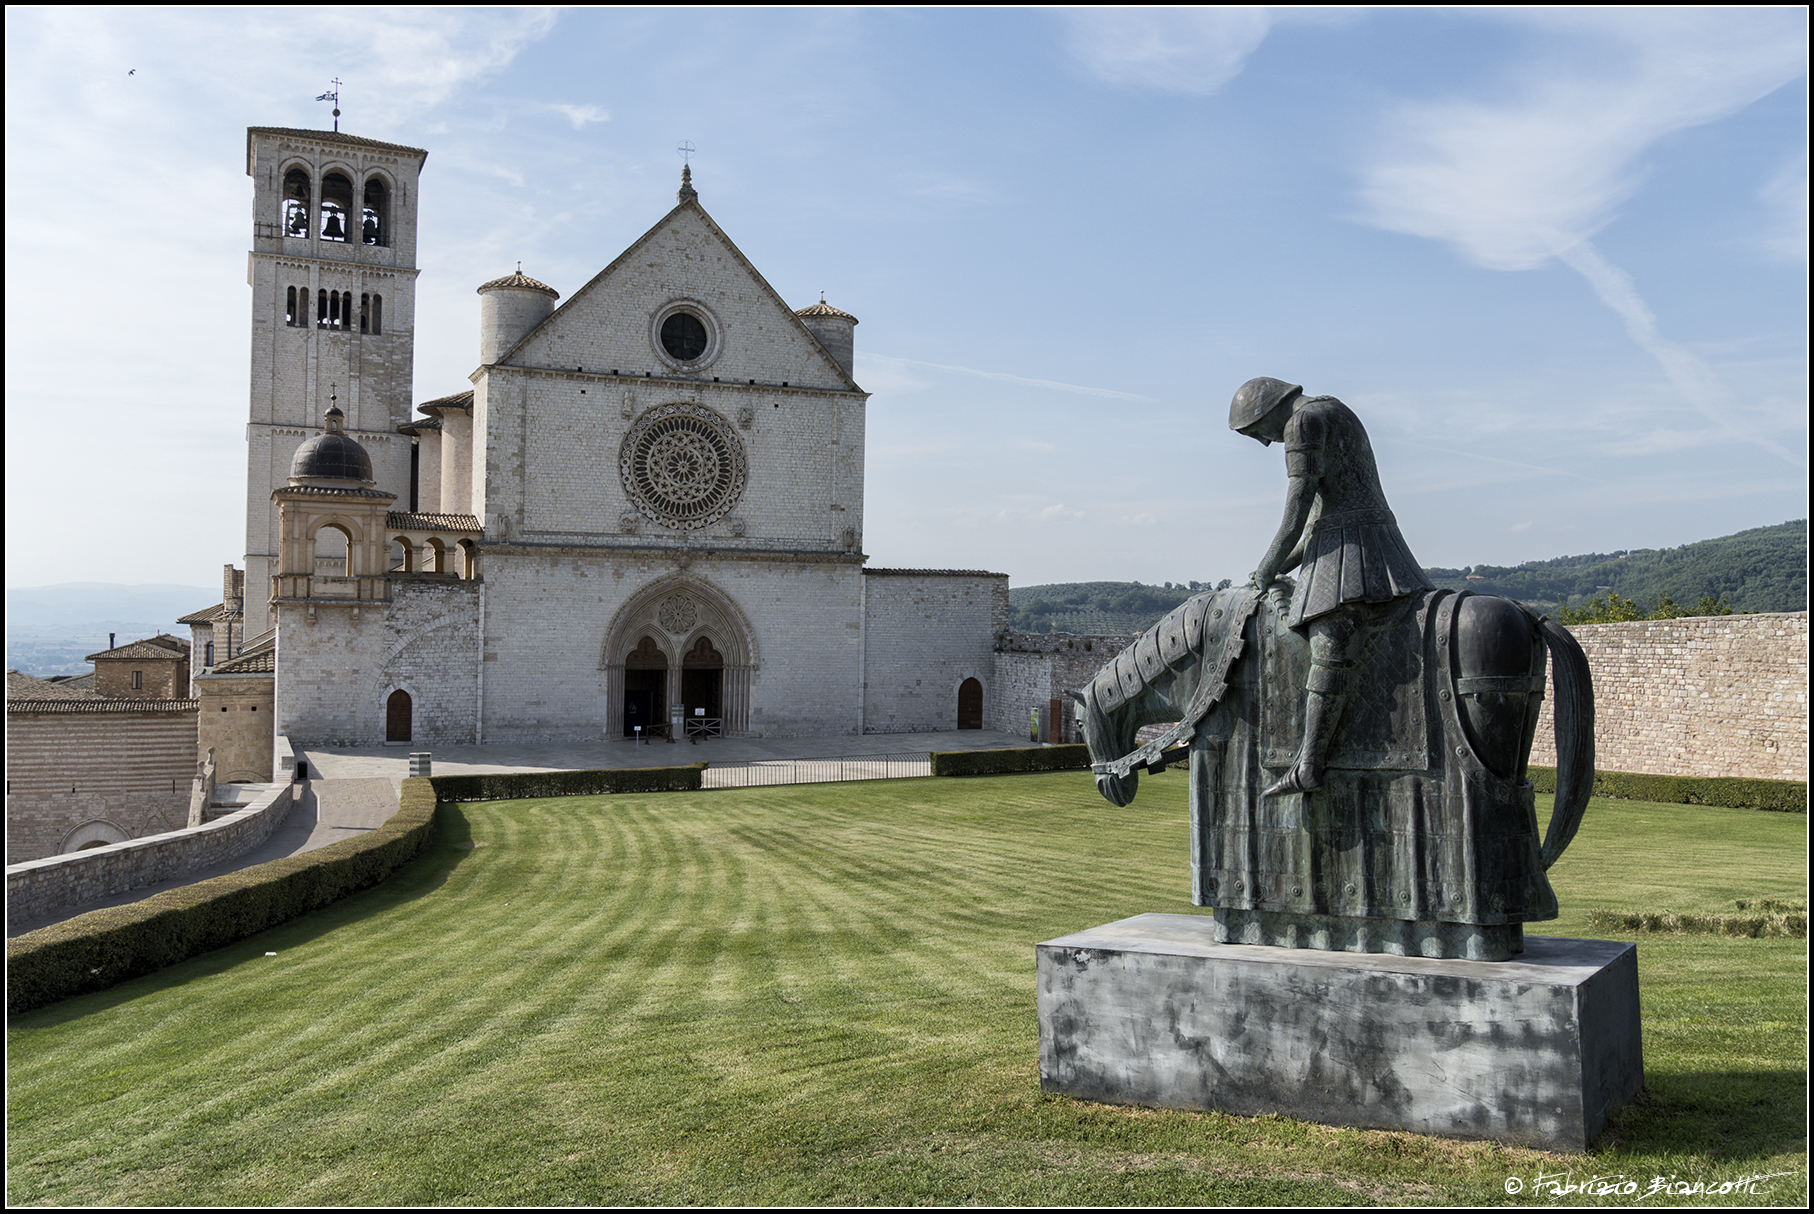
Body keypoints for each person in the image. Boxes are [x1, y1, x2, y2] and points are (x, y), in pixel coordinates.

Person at [1230, 377, 1433, 796]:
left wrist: (1268, 565)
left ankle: (1308, 764)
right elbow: (1314, 529)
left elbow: (1297, 511)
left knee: (1329, 644)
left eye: (1255, 433)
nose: (1264, 443)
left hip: (1356, 548)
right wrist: (1269, 569)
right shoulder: (1330, 408)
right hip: (1349, 538)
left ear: (1268, 411)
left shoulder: (1302, 422)